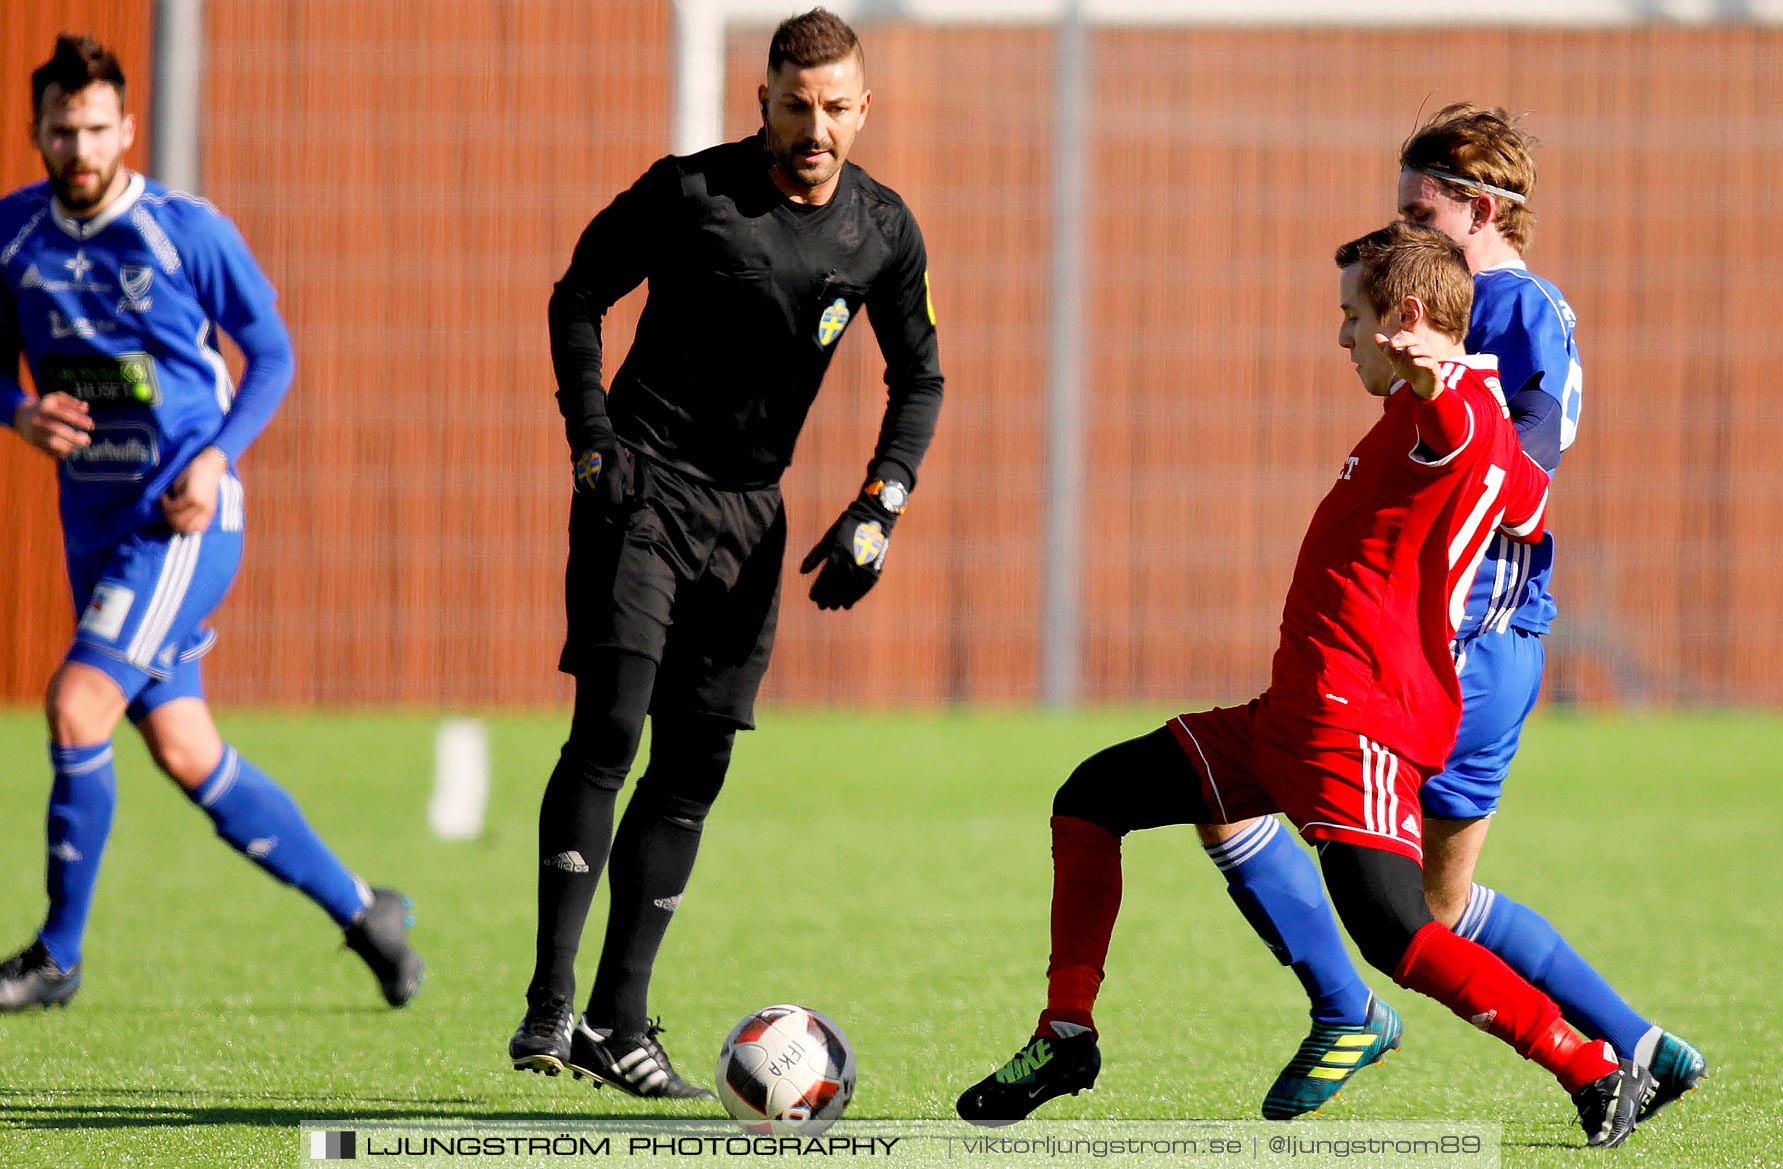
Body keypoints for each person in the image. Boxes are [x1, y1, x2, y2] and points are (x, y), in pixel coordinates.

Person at [958, 222, 1654, 1149]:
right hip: (1289, 717)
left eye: (1350, 317)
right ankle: (1065, 1033)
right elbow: (1511, 488)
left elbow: (1460, 424)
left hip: (1355, 728)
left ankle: (1592, 1065)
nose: (1340, 338)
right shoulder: (1441, 414)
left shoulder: (1454, 411)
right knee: (1092, 796)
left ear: (1405, 319)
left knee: (1399, 934)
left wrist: (1433, 372)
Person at [1193, 105, 1703, 1121]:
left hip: (1459, 642)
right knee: (1439, 900)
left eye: (1417, 211)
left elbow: (1525, 460)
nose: (1402, 236)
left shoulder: (1505, 306)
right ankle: (1642, 1041)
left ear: (1480, 208)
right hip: (1497, 640)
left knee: (1240, 782)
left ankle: (1349, 1009)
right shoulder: (1508, 305)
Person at [511, 6, 942, 1099]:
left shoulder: (882, 232)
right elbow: (578, 295)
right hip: (643, 486)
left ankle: (620, 1020)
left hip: (751, 519)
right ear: (762, 103)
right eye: (796, 105)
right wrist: (592, 441)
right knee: (611, 723)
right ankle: (551, 1001)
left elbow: (920, 376)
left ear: (863, 110)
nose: (815, 127)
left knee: (696, 765)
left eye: (835, 108)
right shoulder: (691, 193)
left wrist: (879, 502)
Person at [0, 35, 421, 1011]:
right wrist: (17, 411)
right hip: (94, 521)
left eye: (96, 128)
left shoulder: (185, 231)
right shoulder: (14, 235)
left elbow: (271, 355)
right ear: (36, 132)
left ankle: (56, 955)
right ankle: (366, 910)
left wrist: (215, 452)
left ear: (126, 129)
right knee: (186, 748)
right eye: (61, 130)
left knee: (75, 705)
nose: (79, 147)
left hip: (183, 518)